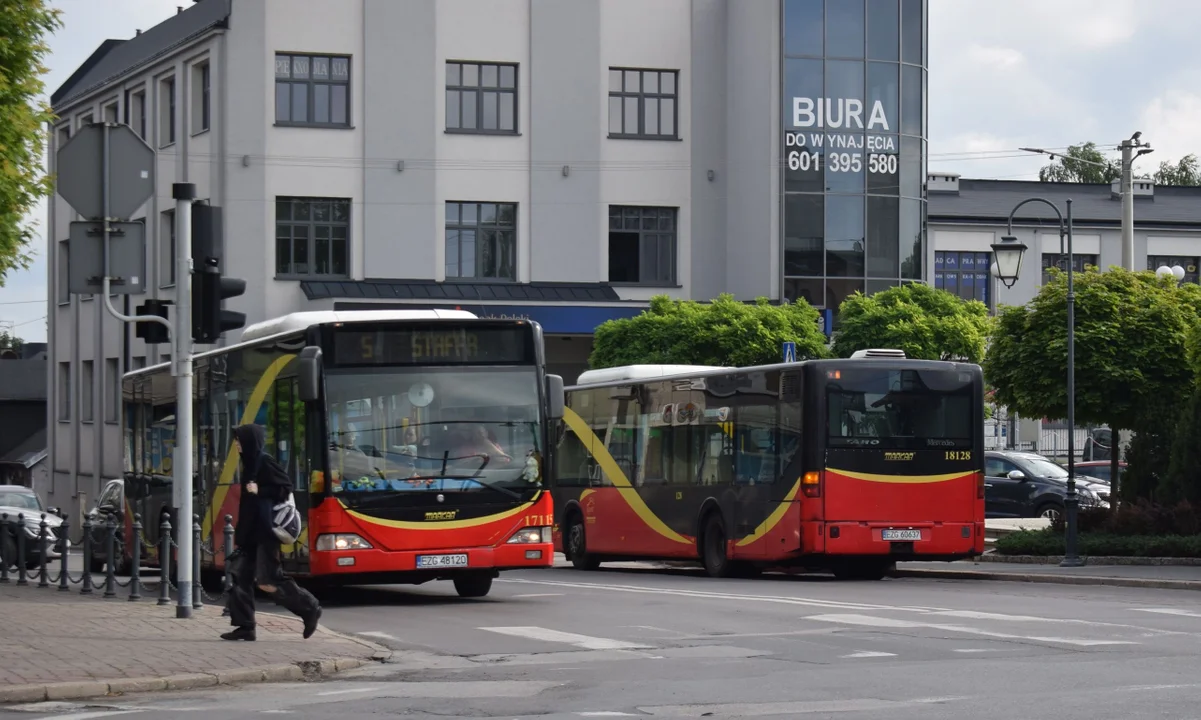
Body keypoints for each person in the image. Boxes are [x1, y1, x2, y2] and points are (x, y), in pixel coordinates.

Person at [222, 424, 322, 642]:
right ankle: (245, 627)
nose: (237, 444)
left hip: (265, 534)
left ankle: (310, 607)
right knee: (240, 577)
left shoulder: (264, 461)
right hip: (250, 534)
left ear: (250, 441)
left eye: (239, 440)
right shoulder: (248, 463)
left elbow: (285, 486)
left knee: (269, 579)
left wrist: (259, 490)